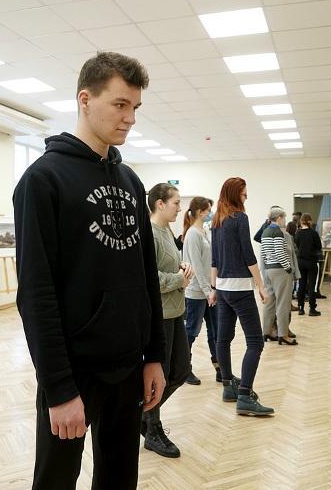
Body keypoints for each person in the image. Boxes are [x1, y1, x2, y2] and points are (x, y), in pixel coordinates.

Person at [13, 51, 166, 489]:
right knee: (56, 482)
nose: (130, 118)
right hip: (73, 371)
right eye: (120, 104)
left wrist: (154, 355)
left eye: (135, 107)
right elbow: (36, 293)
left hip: (128, 367)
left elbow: (146, 276)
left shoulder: (131, 181)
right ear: (85, 99)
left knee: (120, 479)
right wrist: (59, 388)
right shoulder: (43, 180)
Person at [209, 177, 274, 416]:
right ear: (235, 194)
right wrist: (261, 286)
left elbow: (214, 259)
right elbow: (248, 255)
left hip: (223, 289)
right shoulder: (239, 218)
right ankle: (245, 395)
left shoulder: (216, 221)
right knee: (255, 342)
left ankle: (228, 386)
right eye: (244, 194)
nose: (246, 198)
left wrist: (213, 288)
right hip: (239, 289)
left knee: (223, 339)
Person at [144, 183, 192, 458]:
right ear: (160, 204)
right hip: (160, 315)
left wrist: (182, 268)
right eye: (176, 203)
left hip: (175, 311)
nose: (179, 208)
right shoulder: (150, 233)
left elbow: (169, 265)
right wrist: (179, 279)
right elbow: (150, 278)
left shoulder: (167, 231)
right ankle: (153, 430)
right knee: (159, 377)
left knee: (181, 371)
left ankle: (144, 416)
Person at [181, 197, 220, 384]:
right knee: (191, 331)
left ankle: (220, 368)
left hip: (208, 292)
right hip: (197, 293)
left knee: (215, 332)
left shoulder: (204, 231)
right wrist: (207, 291)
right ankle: (184, 369)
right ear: (199, 212)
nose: (210, 213)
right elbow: (196, 266)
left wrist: (212, 288)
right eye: (208, 210)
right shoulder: (192, 234)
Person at [260, 208, 298, 346]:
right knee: (283, 303)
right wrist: (288, 268)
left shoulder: (265, 232)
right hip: (281, 271)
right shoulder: (277, 232)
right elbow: (279, 252)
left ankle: (266, 332)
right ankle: (283, 334)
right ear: (279, 218)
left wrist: (267, 268)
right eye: (284, 218)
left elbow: (264, 254)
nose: (285, 221)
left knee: (270, 302)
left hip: (269, 270)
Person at [294, 213, 323, 317]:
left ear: (301, 221)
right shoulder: (313, 233)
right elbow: (319, 246)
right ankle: (312, 309)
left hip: (301, 262)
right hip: (311, 262)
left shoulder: (298, 233)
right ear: (310, 221)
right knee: (312, 286)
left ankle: (300, 308)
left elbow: (297, 245)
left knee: (301, 285)